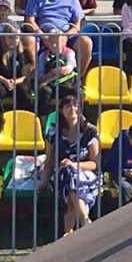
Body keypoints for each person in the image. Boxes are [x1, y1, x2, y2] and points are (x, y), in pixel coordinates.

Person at [39, 93, 100, 233]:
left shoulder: (90, 131)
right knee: (67, 174)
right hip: (60, 176)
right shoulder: (54, 132)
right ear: (61, 110)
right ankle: (84, 218)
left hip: (87, 175)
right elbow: (49, 161)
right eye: (68, 106)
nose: (72, 108)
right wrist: (44, 181)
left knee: (70, 175)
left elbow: (94, 164)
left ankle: (68, 233)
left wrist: (74, 165)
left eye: (76, 105)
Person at [22, 0, 93, 76]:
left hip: (66, 35)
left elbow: (77, 24)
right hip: (42, 34)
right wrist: (43, 36)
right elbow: (29, 20)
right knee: (29, 41)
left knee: (86, 42)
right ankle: (34, 81)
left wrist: (66, 36)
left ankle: (76, 79)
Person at [34, 30, 79, 113]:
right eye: (51, 42)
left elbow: (68, 69)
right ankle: (43, 119)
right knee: (44, 92)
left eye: (56, 42)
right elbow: (40, 77)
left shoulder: (69, 53)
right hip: (51, 85)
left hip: (65, 82)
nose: (54, 45)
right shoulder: (43, 55)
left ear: (63, 42)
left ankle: (76, 117)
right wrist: (50, 74)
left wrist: (52, 76)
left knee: (77, 91)